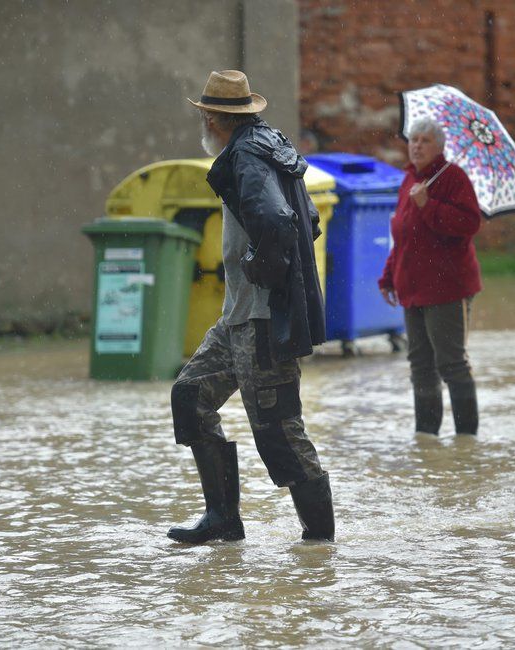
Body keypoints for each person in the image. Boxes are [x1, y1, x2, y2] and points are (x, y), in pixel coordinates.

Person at [166, 70, 334, 544]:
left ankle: (319, 546)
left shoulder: (246, 156)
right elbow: (310, 219)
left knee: (279, 431)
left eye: (203, 117)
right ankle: (223, 519)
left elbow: (281, 222)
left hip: (263, 321)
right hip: (236, 318)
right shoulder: (266, 147)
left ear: (214, 119)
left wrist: (261, 266)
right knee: (190, 396)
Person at [378, 117, 483, 436]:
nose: (417, 145)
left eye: (425, 140)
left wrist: (428, 205)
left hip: (447, 289)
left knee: (451, 363)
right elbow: (404, 235)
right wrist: (388, 276)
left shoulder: (453, 178)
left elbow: (467, 224)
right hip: (413, 289)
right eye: (413, 140)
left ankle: (467, 439)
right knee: (420, 366)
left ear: (439, 146)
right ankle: (426, 436)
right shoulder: (409, 179)